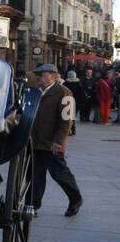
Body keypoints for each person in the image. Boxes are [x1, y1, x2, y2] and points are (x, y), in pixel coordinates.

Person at [29, 63, 83, 217]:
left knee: (60, 174)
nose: (38, 78)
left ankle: (75, 199)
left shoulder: (65, 93)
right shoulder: (37, 92)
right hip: (36, 142)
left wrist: (58, 142)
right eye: (37, 75)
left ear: (52, 76)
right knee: (35, 176)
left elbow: (67, 121)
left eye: (42, 75)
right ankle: (33, 205)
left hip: (52, 143)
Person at [64, 70, 84, 136]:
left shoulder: (65, 84)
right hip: (76, 103)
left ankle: (68, 130)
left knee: (67, 117)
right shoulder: (79, 84)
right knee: (73, 117)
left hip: (67, 102)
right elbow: (82, 94)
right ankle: (73, 129)